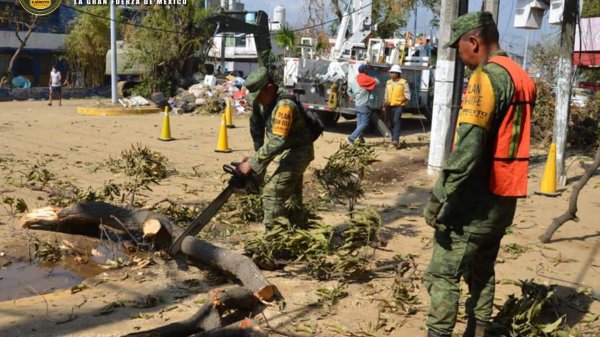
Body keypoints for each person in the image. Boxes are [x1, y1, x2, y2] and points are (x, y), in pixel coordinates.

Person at [422, 11, 535, 337]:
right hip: (504, 199)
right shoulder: (521, 76)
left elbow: (467, 149)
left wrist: (439, 196)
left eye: (459, 49)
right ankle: (479, 331)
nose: (460, 58)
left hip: (473, 203)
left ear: (474, 41)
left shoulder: (486, 78)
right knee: (482, 272)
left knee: (443, 275)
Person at [236, 67, 315, 230]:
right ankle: (300, 232)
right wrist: (256, 162)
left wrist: (253, 163)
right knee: (291, 197)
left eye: (259, 95)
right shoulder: (261, 103)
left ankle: (274, 241)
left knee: (272, 193)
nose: (257, 100)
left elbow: (278, 140)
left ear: (270, 88)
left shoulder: (285, 105)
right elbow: (256, 127)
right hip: (286, 150)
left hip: (299, 151)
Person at [346, 64, 379, 145]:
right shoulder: (366, 79)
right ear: (365, 71)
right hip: (364, 104)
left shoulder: (354, 80)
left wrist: (351, 96)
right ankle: (351, 138)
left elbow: (349, 90)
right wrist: (373, 77)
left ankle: (360, 139)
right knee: (364, 123)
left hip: (357, 104)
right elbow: (377, 82)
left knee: (360, 123)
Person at [383, 65, 411, 147]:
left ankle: (396, 139)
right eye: (390, 73)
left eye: (393, 73)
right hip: (389, 105)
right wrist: (385, 103)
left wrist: (404, 100)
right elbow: (386, 94)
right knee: (391, 122)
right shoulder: (388, 82)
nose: (391, 74)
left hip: (399, 106)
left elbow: (408, 94)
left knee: (396, 120)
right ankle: (393, 140)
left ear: (398, 73)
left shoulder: (403, 82)